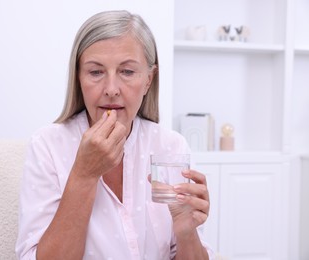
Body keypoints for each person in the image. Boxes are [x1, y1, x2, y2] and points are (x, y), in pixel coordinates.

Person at [15, 10, 213, 260]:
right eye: (96, 72)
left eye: (127, 72)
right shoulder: (47, 146)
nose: (111, 90)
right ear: (78, 77)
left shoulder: (170, 146)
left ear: (149, 80)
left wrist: (187, 234)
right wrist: (84, 175)